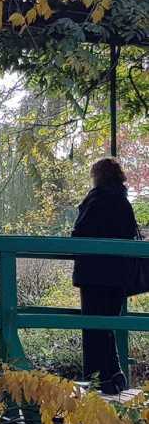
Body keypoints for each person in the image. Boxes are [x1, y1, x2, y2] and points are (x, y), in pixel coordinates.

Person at [71, 157, 137, 394]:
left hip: (94, 274)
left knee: (93, 327)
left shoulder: (97, 200)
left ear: (98, 175)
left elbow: (80, 234)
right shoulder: (122, 201)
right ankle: (112, 377)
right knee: (107, 325)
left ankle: (98, 378)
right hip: (118, 275)